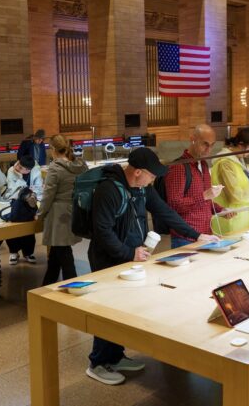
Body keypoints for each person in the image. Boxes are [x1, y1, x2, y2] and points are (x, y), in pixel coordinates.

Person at [86, 148, 216, 385]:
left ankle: (114, 356)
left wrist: (196, 235)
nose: (154, 180)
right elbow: (102, 231)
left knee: (122, 309)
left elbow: (164, 210)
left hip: (131, 257)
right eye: (152, 176)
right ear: (138, 172)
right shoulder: (108, 190)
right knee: (106, 310)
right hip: (108, 259)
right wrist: (128, 253)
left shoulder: (142, 188)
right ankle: (97, 363)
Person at [38, 136, 88, 285]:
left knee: (64, 253)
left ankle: (73, 286)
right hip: (73, 210)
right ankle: (47, 285)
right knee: (57, 251)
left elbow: (48, 195)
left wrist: (40, 213)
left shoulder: (55, 168)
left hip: (58, 214)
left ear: (53, 149)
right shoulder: (79, 165)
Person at [163, 124, 220, 248]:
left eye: (212, 145)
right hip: (185, 238)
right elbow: (173, 205)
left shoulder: (204, 165)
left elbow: (204, 202)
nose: (208, 150)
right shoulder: (179, 167)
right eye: (205, 144)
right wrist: (204, 196)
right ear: (192, 139)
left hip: (206, 234)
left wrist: (221, 209)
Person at [211, 128, 249, 234]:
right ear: (240, 144)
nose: (248, 154)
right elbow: (235, 195)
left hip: (240, 218)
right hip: (231, 219)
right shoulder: (225, 163)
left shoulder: (236, 161)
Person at [3, 156, 44, 264]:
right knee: (13, 226)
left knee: (29, 227)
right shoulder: (12, 170)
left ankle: (28, 252)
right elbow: (12, 189)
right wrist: (25, 190)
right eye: (18, 164)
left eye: (21, 167)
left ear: (28, 170)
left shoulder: (35, 170)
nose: (17, 166)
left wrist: (31, 193)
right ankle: (13, 252)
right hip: (15, 200)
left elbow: (38, 187)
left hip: (31, 200)